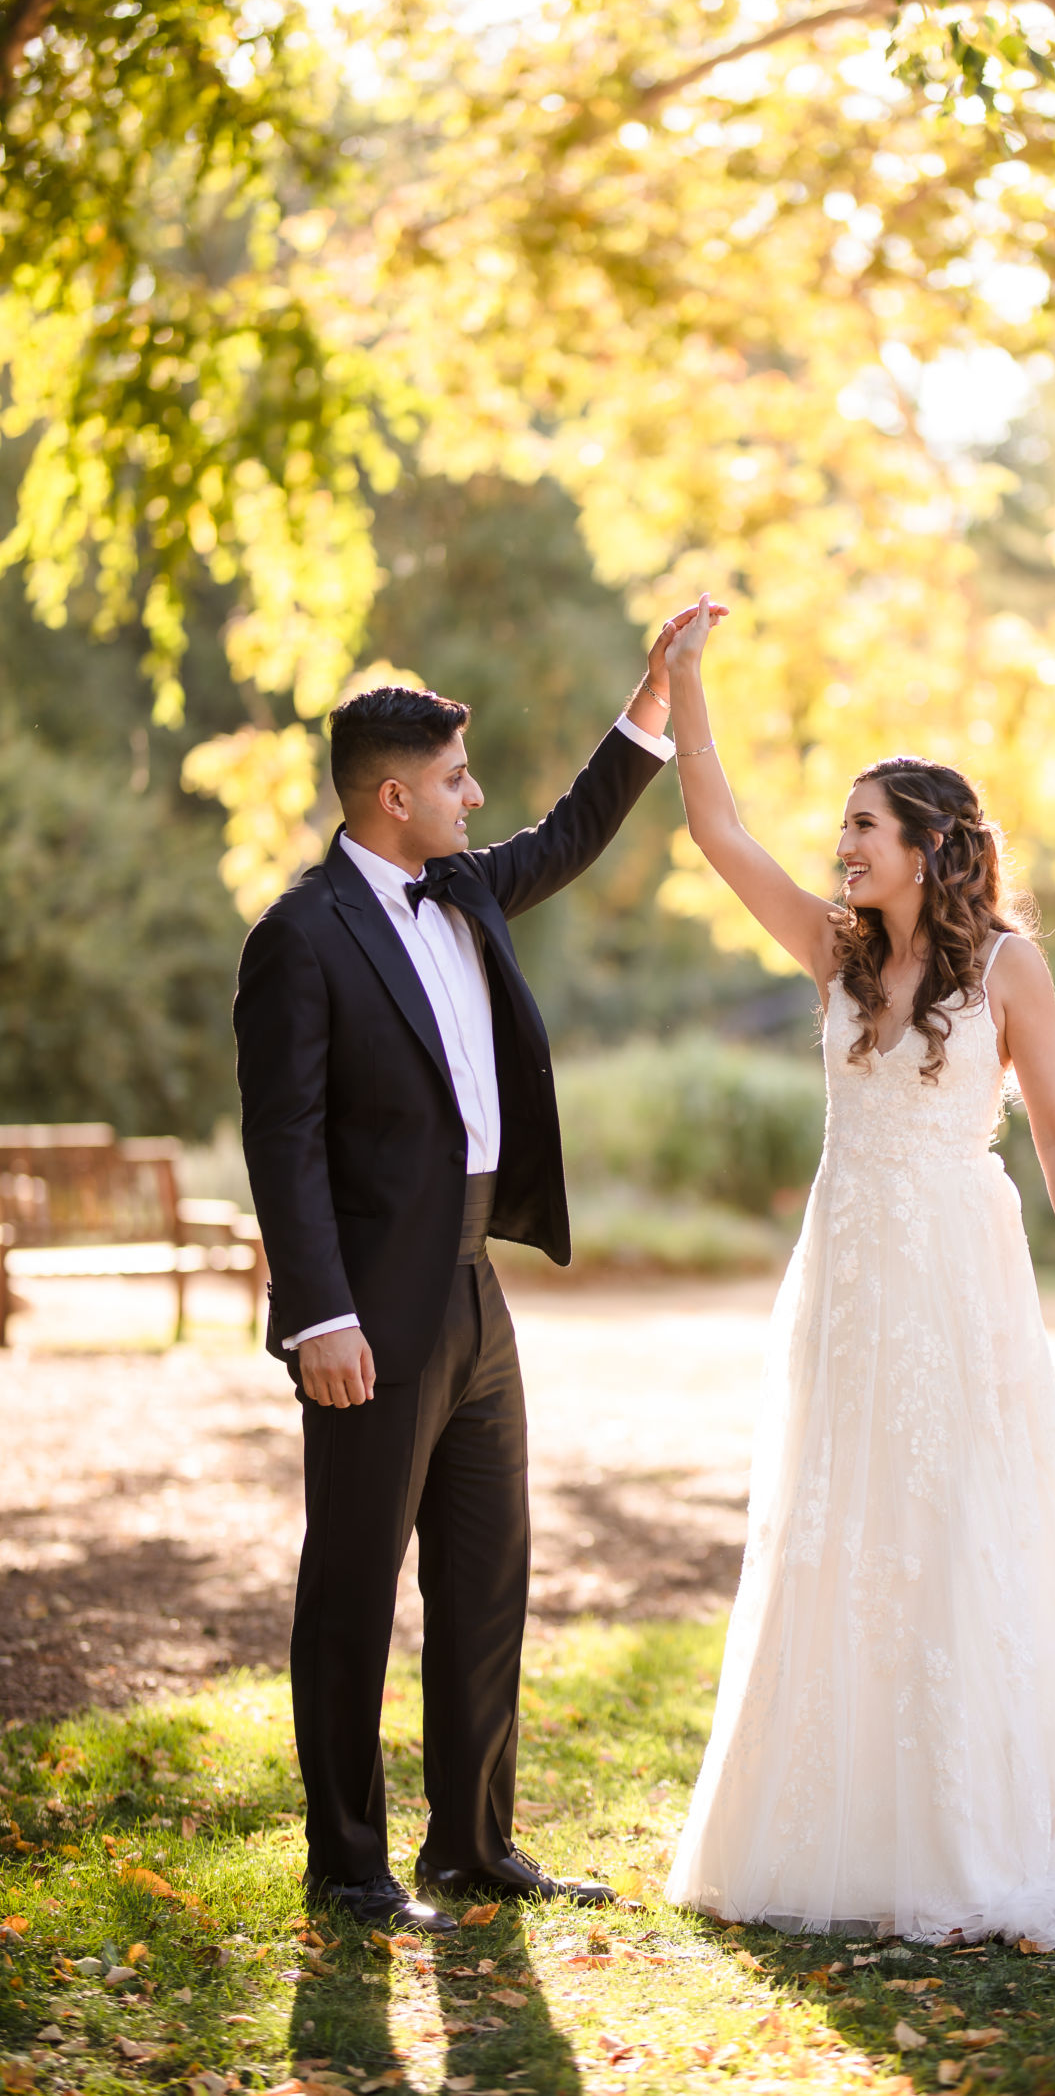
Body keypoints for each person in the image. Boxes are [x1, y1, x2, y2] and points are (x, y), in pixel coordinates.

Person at [660, 598, 1055, 1945]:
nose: (844, 842)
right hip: (850, 1270)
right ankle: (841, 1827)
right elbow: (717, 832)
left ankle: (972, 1826)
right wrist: (685, 682)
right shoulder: (835, 949)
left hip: (960, 1268)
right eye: (846, 825)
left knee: (959, 1521)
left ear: (931, 843)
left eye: (866, 824)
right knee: (840, 1519)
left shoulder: (1007, 963)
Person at [233, 622, 710, 1931]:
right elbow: (280, 1135)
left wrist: (650, 703)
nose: (474, 795)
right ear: (396, 794)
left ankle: (473, 1843)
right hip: (368, 1309)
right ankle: (347, 1864)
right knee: (352, 1583)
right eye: (455, 777)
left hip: (474, 1293)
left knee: (488, 1571)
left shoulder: (467, 889)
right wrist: (316, 1312)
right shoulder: (303, 935)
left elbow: (565, 829)